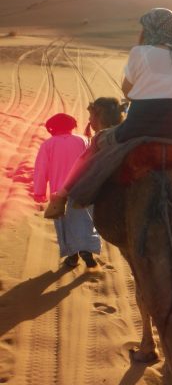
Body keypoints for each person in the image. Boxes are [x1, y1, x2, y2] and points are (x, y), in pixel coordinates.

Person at [43, 8, 172, 218]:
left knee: (95, 145)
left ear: (150, 29)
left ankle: (61, 196)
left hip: (137, 127)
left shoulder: (139, 52)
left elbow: (127, 91)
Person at [33, 113, 101, 269]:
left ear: (52, 128)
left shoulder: (48, 145)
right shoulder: (83, 141)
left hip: (59, 193)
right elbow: (93, 163)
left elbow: (41, 169)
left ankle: (72, 257)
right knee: (86, 221)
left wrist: (39, 191)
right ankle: (86, 252)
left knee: (64, 224)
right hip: (84, 189)